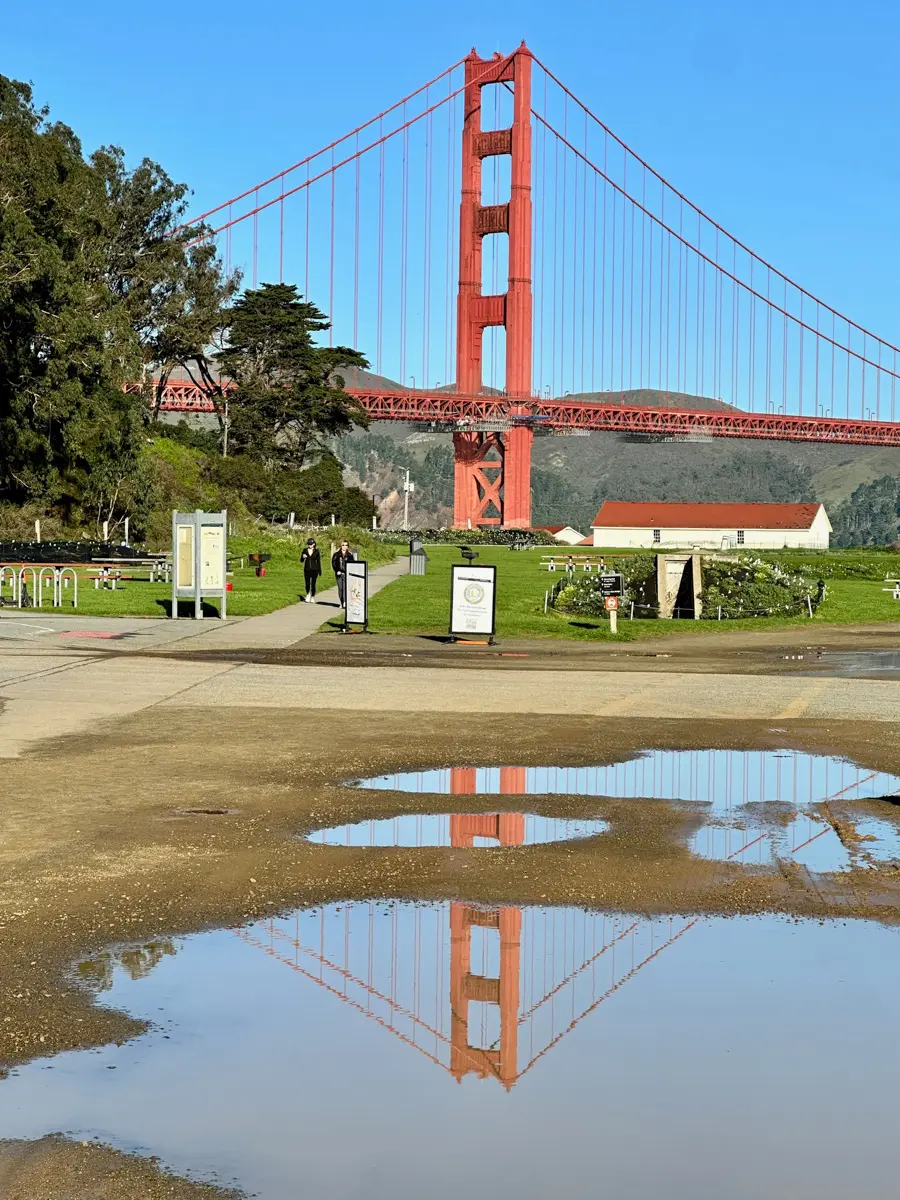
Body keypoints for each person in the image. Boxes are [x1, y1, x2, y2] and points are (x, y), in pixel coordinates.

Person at [332, 539, 355, 608]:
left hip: (346, 574)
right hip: (339, 574)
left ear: (348, 546)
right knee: (340, 589)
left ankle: (345, 602)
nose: (344, 546)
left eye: (346, 545)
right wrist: (337, 571)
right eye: (343, 545)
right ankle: (341, 602)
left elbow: (352, 564)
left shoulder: (350, 555)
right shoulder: (336, 554)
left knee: (345, 588)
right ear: (341, 546)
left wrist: (349, 572)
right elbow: (334, 564)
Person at [300, 537, 322, 603]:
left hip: (314, 569)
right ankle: (308, 594)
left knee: (313, 584)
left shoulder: (316, 551)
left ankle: (312, 596)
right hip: (307, 569)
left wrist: (319, 570)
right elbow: (301, 560)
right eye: (308, 544)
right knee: (307, 583)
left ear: (314, 544)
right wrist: (303, 557)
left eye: (311, 544)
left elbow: (318, 561)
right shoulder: (305, 550)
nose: (309, 545)